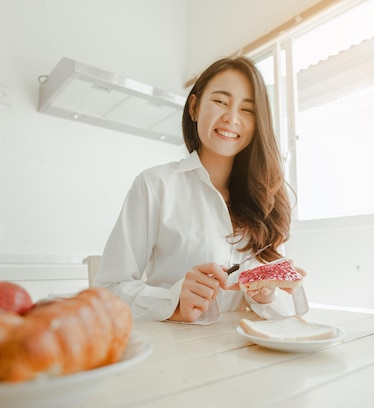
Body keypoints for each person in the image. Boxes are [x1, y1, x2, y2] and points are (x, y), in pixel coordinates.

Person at [95, 56, 308, 324]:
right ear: (194, 107)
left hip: (250, 355)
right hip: (177, 355)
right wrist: (174, 301)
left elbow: (288, 312)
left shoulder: (267, 197)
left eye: (247, 110)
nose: (231, 118)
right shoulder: (155, 185)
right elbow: (109, 291)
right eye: (220, 102)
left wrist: (265, 295)